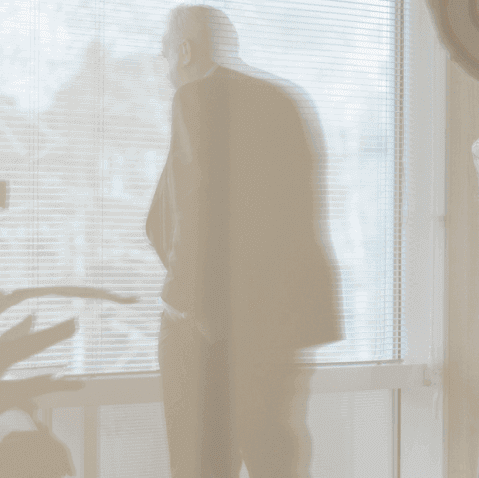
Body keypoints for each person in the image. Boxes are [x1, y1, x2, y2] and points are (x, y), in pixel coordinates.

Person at [147, 5, 341, 477]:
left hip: (212, 336)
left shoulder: (197, 98)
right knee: (277, 463)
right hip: (281, 329)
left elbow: (196, 213)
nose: (164, 63)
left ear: (186, 51)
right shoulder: (284, 98)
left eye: (166, 51)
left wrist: (187, 312)